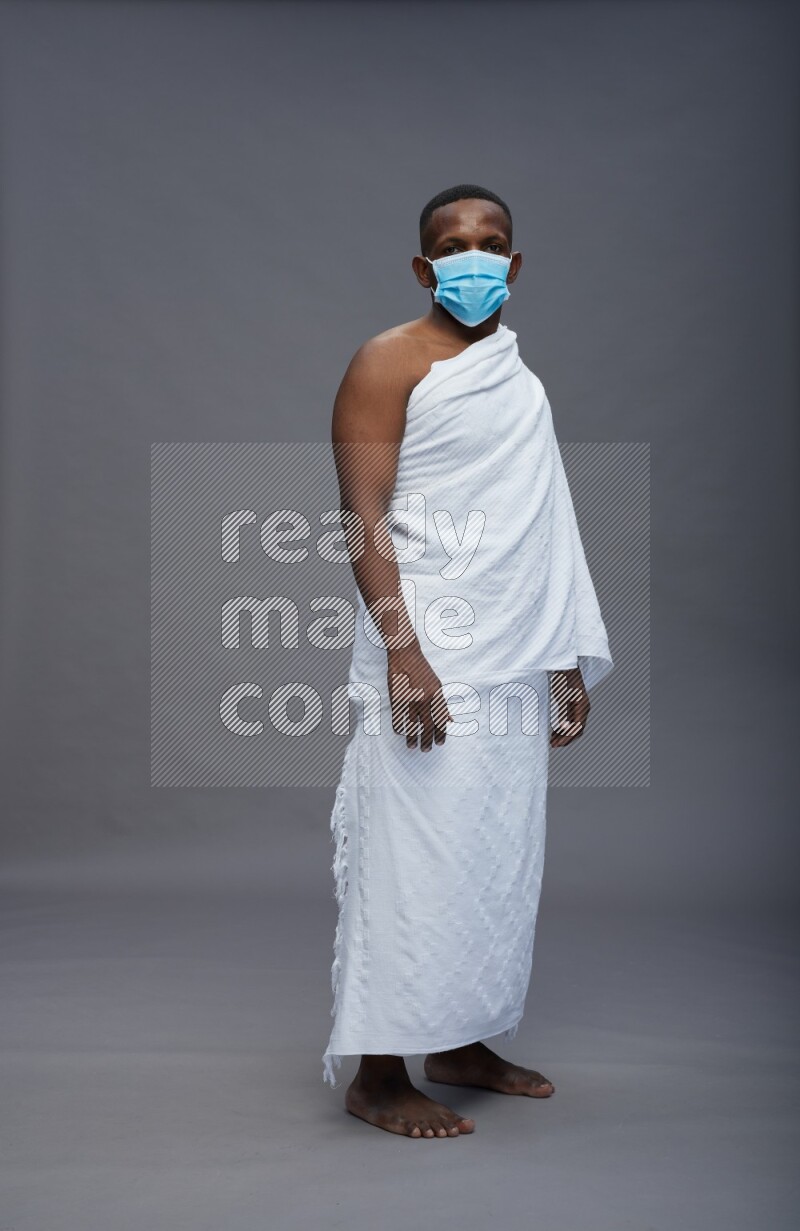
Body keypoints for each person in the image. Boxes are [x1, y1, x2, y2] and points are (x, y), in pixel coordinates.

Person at [322, 184, 613, 1138]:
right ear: (423, 266)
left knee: (493, 852)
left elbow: (545, 522)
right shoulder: (387, 361)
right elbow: (362, 517)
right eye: (454, 244)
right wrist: (406, 652)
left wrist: (564, 654)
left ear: (516, 266)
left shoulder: (517, 378)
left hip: (513, 651)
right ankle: (377, 1069)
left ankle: (460, 1040)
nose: (475, 256)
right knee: (414, 853)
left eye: (492, 243)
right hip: (428, 646)